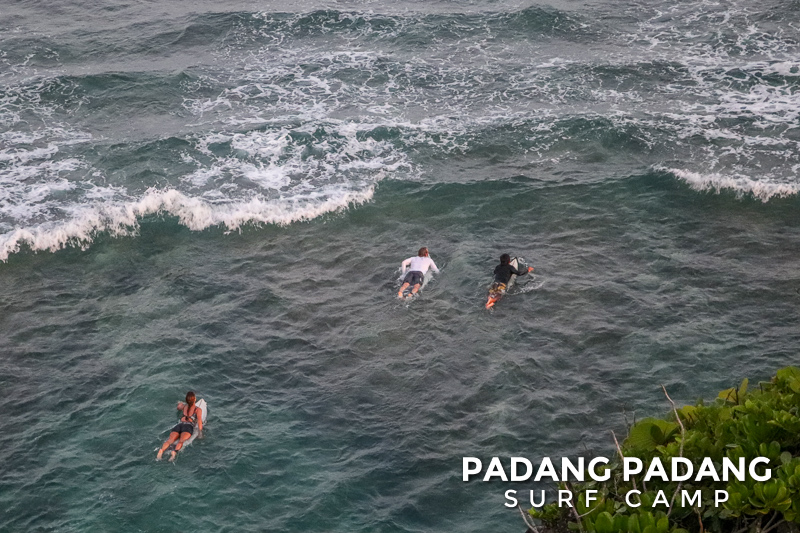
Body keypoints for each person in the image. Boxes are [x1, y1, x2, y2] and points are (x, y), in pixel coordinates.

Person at [157, 391, 203, 461]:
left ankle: (161, 450)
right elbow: (199, 422)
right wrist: (200, 433)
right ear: (195, 399)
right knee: (181, 441)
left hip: (179, 425)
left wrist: (180, 403)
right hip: (188, 427)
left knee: (170, 440)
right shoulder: (198, 409)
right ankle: (174, 453)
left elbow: (178, 407)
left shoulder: (184, 406)